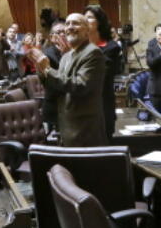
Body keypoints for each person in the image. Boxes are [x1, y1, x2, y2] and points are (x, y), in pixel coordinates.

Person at [28, 12, 108, 147]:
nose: (70, 27)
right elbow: (57, 86)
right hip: (66, 126)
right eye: (68, 24)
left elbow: (79, 86)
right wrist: (40, 68)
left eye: (75, 23)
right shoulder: (66, 55)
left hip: (84, 129)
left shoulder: (93, 52)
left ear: (87, 30)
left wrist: (48, 69)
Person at [85, 4, 122, 140]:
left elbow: (101, 75)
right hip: (83, 106)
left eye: (89, 17)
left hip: (102, 104)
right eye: (84, 17)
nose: (85, 20)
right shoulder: (80, 46)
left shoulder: (111, 47)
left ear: (99, 21)